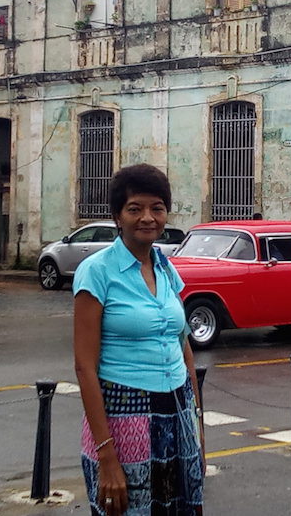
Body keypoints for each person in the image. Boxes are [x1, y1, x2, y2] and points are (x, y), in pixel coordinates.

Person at [73, 164, 204, 516]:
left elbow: (183, 346)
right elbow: (85, 367)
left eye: (157, 208)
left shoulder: (166, 267)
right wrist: (107, 454)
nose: (148, 218)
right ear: (117, 216)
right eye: (135, 209)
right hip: (123, 417)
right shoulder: (97, 272)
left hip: (176, 414)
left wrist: (196, 425)